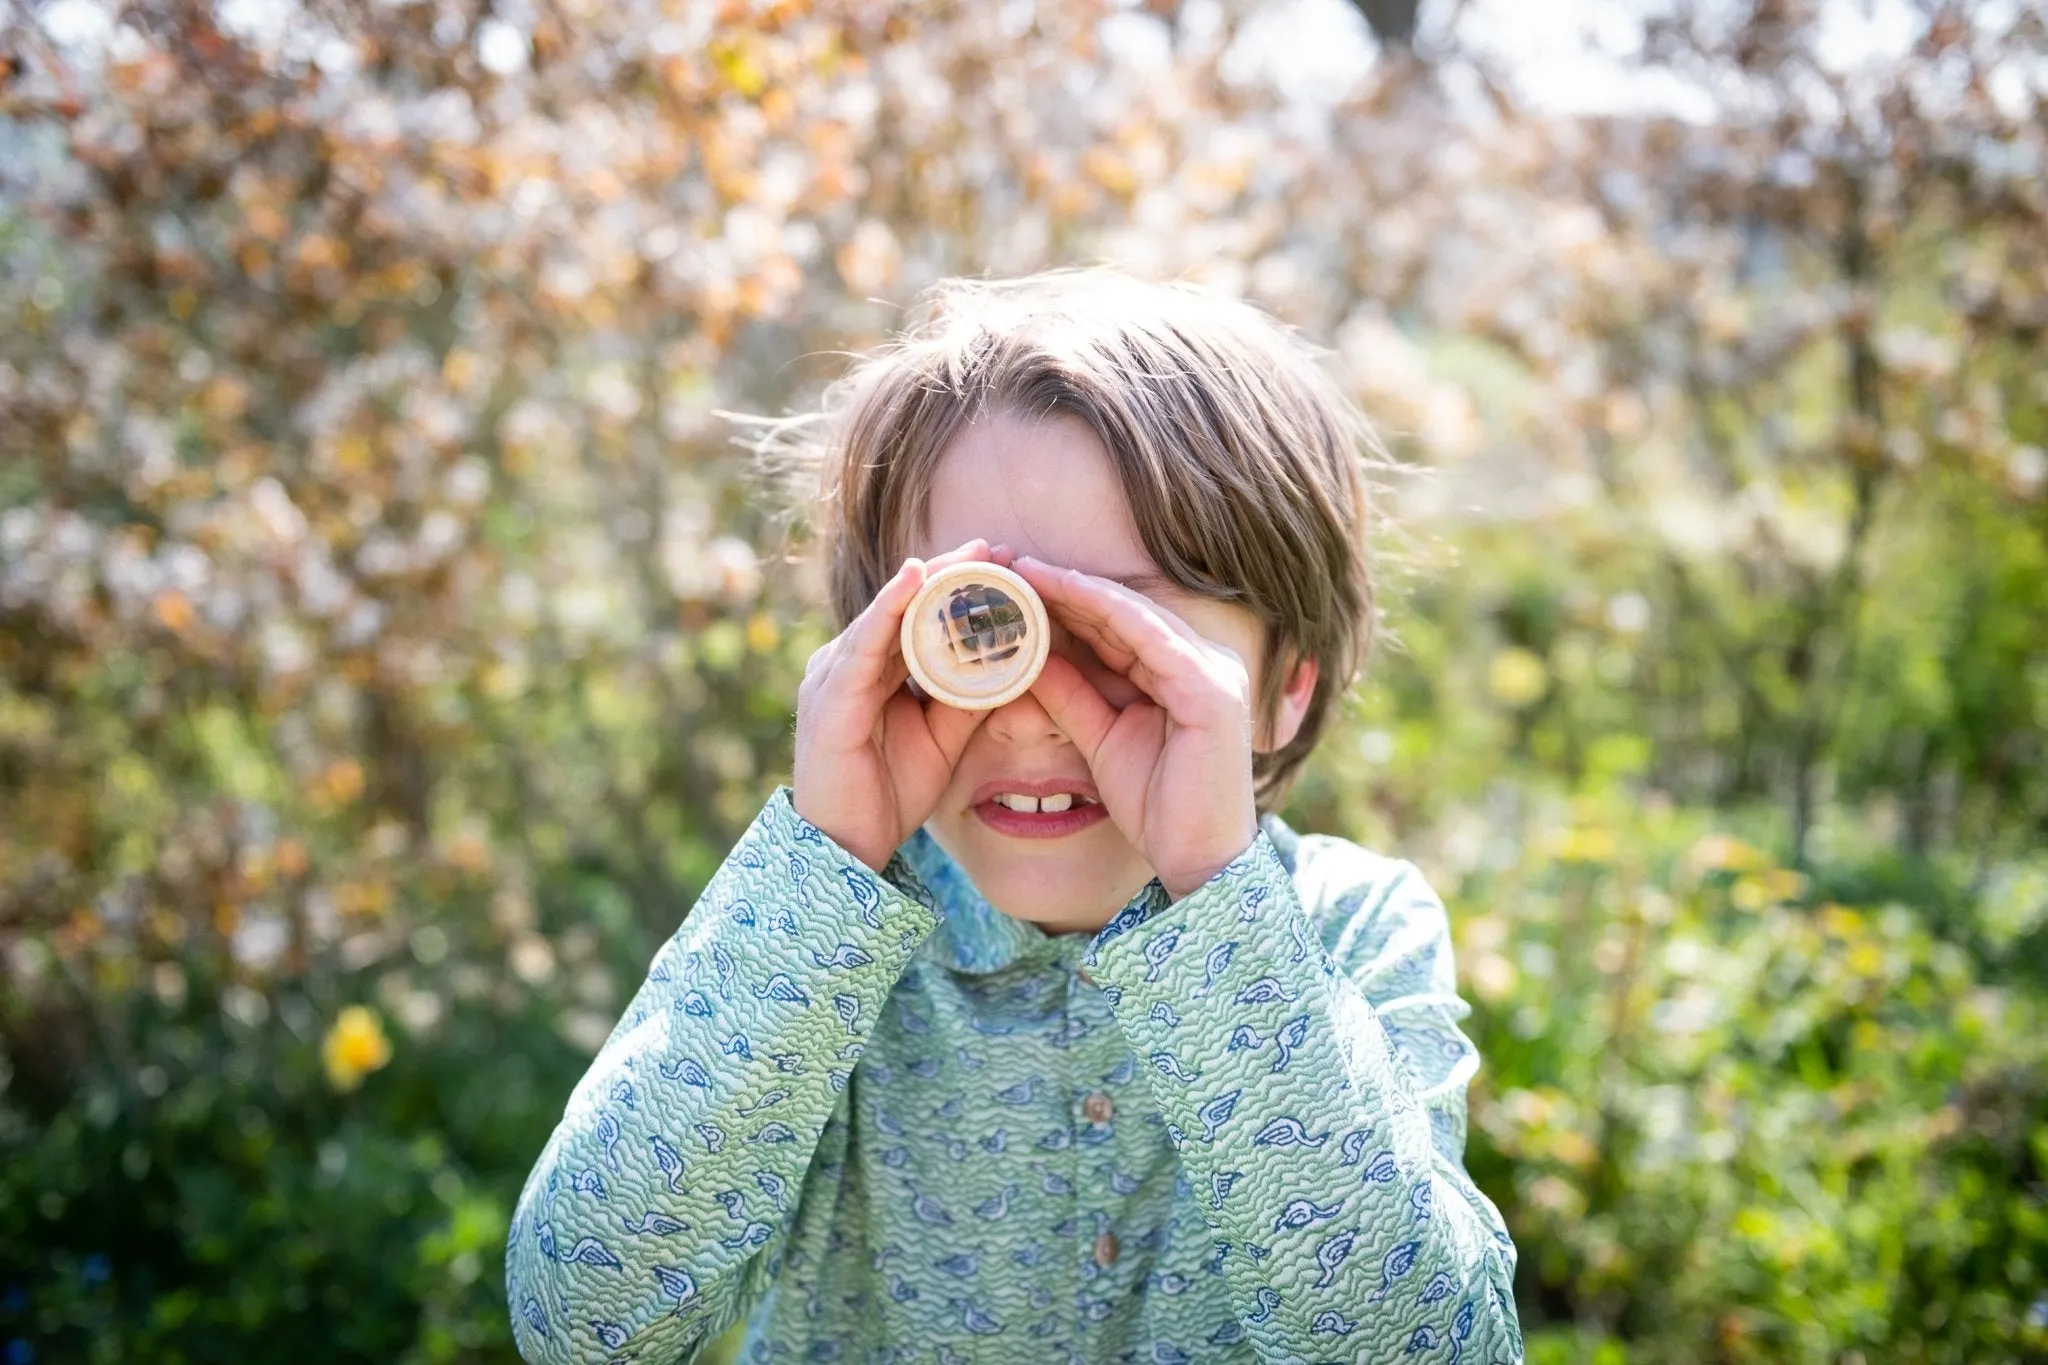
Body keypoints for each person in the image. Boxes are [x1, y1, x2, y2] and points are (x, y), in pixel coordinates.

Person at [505, 268, 1524, 1363]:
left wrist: (1216, 913)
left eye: (1123, 634)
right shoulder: (814, 953)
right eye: (977, 625)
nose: (1039, 716)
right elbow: (585, 1324)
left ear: (1286, 686)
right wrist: (825, 862)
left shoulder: (1346, 932)